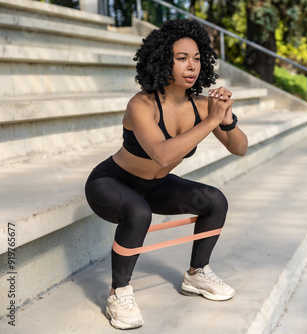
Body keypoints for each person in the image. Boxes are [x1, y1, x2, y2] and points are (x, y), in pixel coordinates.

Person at [84, 19, 248, 330]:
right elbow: (162, 154)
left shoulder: (202, 106)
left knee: (214, 201)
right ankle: (119, 292)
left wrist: (225, 119)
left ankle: (197, 274)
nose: (192, 66)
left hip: (156, 185)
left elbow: (239, 148)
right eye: (182, 58)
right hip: (111, 183)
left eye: (197, 58)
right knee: (137, 211)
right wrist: (210, 121)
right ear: (162, 60)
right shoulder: (141, 105)